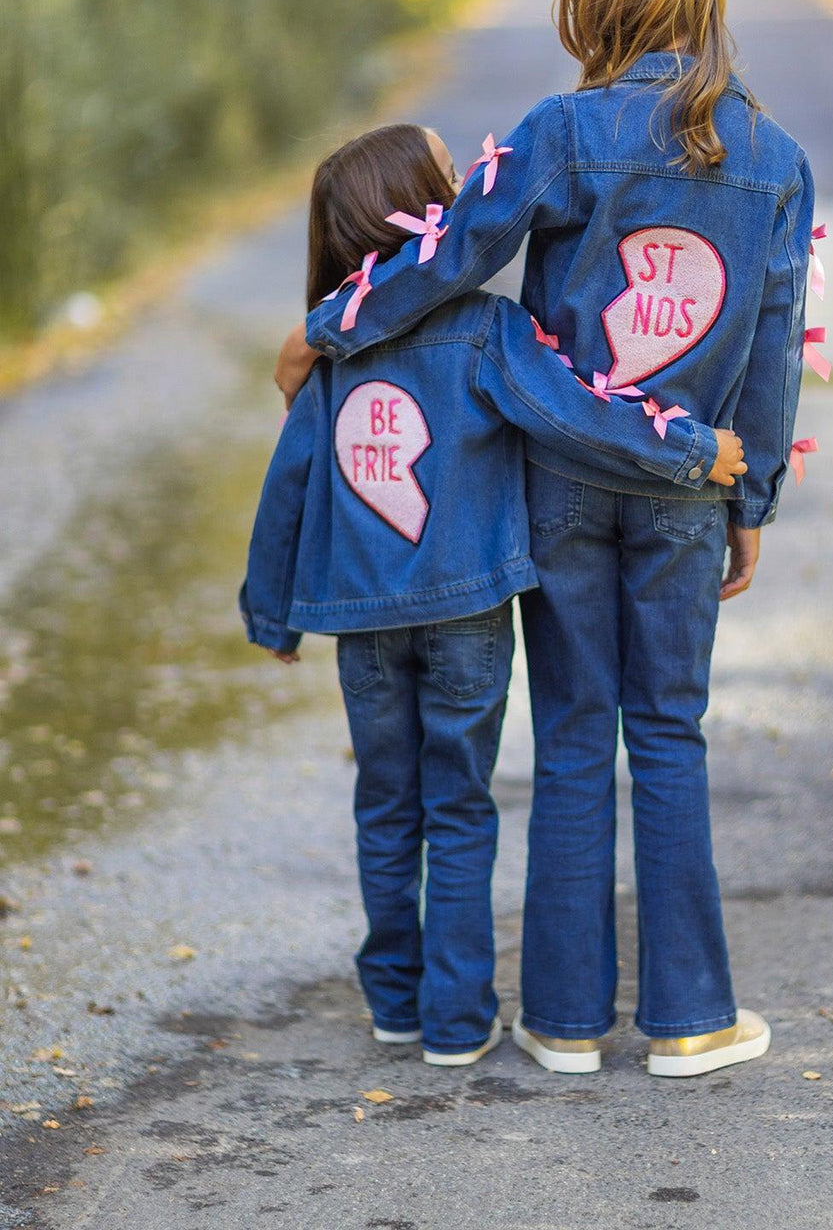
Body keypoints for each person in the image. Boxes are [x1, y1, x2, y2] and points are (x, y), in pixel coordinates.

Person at [275, 0, 819, 1078]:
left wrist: (329, 327)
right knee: (667, 732)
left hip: (560, 483)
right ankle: (689, 1020)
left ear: (587, 2)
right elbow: (773, 351)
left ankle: (564, 1022)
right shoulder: (775, 160)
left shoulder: (558, 134)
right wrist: (751, 499)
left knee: (574, 733)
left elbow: (444, 257)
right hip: (686, 490)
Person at [241, 119, 747, 1068]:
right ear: (429, 216)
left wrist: (272, 614)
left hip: (364, 623)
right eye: (457, 175)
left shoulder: (333, 352)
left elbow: (290, 483)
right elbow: (579, 415)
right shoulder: (487, 331)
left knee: (385, 805)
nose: (479, 181)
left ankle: (394, 1002)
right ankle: (457, 1017)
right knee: (460, 806)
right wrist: (693, 450)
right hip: (468, 616)